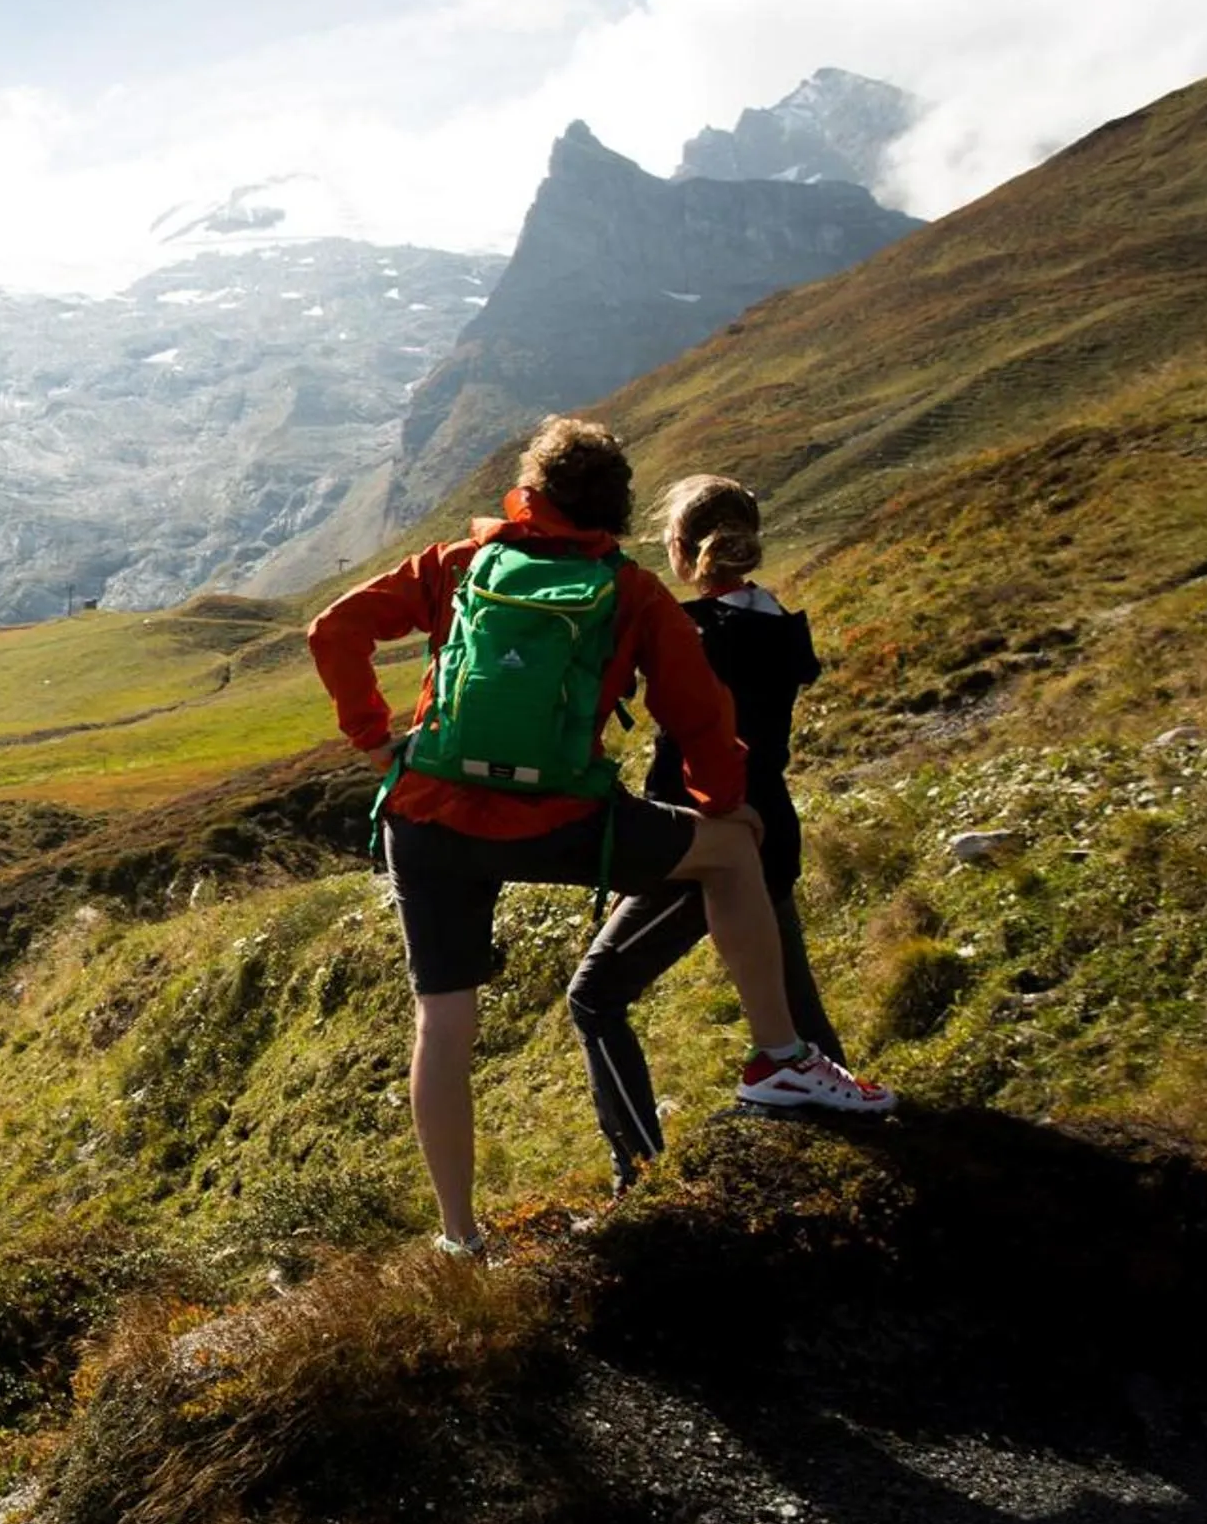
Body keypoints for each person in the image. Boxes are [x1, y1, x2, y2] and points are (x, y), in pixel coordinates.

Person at [308, 418, 892, 1257]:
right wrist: (724, 803)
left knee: (443, 1018)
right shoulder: (632, 592)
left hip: (427, 817)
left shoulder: (459, 562)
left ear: (530, 493)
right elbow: (698, 717)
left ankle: (460, 1239)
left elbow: (331, 630)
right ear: (615, 507)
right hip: (558, 819)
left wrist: (373, 741)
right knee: (732, 853)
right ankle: (779, 1059)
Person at [567, 475, 862, 1191]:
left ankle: (638, 1176)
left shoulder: (688, 630)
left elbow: (679, 750)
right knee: (791, 1009)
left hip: (702, 839)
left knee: (595, 996)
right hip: (772, 832)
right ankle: (850, 1137)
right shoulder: (779, 622)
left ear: (679, 547)